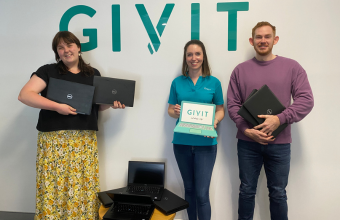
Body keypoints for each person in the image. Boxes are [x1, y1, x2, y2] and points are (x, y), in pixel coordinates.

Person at [18, 31, 125, 220]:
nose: (66, 50)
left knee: (82, 186)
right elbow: (25, 95)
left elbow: (96, 107)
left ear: (78, 47)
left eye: (69, 45)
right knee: (54, 185)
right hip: (54, 141)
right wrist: (57, 107)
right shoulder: (48, 71)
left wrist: (112, 104)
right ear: (57, 52)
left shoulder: (93, 74)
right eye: (60, 47)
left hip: (83, 141)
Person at [227, 21, 314, 220]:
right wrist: (245, 130)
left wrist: (279, 119)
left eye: (267, 37)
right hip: (248, 143)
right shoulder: (240, 70)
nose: (263, 40)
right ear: (252, 41)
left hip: (280, 144)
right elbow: (232, 104)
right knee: (246, 191)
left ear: (275, 39)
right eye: (258, 37)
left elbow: (306, 100)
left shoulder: (292, 67)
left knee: (278, 193)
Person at [168, 39, 225, 220]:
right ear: (185, 58)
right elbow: (170, 110)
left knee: (201, 193)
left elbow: (221, 110)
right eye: (190, 54)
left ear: (203, 57)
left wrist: (215, 120)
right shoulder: (177, 82)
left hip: (206, 144)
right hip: (182, 143)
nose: (194, 58)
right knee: (189, 190)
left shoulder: (214, 82)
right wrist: (175, 111)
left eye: (197, 54)